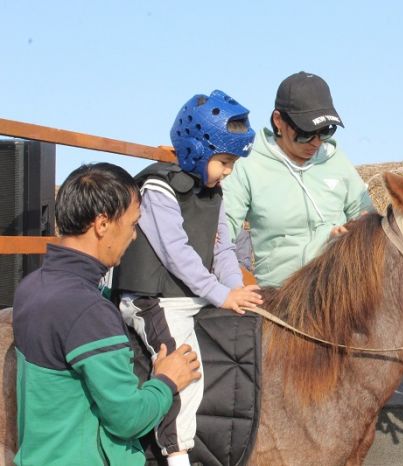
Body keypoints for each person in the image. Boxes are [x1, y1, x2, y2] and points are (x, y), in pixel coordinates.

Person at [12, 162, 201, 466]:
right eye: (132, 224)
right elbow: (127, 419)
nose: (135, 236)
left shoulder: (31, 287)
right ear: (102, 224)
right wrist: (166, 380)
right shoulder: (88, 312)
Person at [112, 90, 263, 466]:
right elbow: (176, 254)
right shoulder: (157, 189)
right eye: (224, 162)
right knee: (186, 370)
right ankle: (176, 453)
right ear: (197, 149)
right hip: (154, 300)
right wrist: (219, 294)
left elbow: (224, 250)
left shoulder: (214, 194)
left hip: (191, 296)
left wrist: (236, 291)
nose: (228, 171)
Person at [222, 71, 375, 287]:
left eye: (325, 131)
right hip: (282, 296)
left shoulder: (337, 160)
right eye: (306, 132)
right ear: (278, 121)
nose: (316, 142)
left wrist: (355, 232)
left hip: (342, 289)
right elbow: (223, 231)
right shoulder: (248, 163)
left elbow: (369, 218)